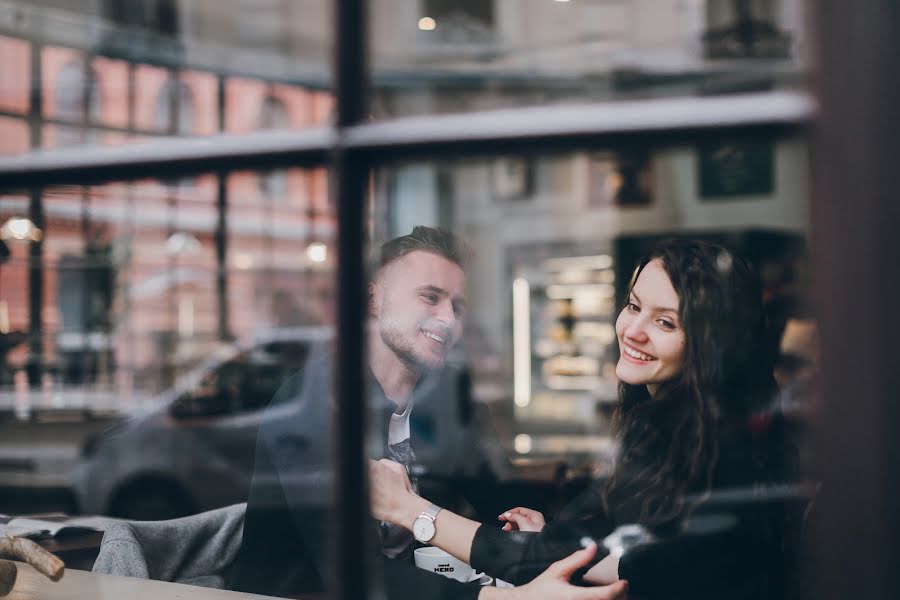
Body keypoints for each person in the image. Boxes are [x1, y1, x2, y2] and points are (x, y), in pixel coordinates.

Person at [370, 239, 806, 600]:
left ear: (711, 345)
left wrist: (410, 509)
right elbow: (647, 562)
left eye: (666, 323)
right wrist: (560, 541)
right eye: (633, 306)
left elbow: (543, 561)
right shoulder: (695, 426)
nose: (633, 330)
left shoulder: (697, 441)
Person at [227, 226, 625, 600]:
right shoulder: (314, 403)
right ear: (374, 299)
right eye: (430, 297)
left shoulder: (448, 397)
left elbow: (503, 501)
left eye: (458, 306)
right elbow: (353, 574)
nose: (448, 319)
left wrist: (540, 530)